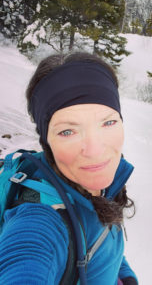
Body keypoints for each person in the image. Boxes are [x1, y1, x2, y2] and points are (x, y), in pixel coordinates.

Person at [0, 52, 138, 285]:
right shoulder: (40, 219)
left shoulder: (101, 185)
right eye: (67, 131)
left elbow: (101, 239)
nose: (94, 150)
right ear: (47, 141)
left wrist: (125, 277)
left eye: (108, 122)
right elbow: (25, 259)